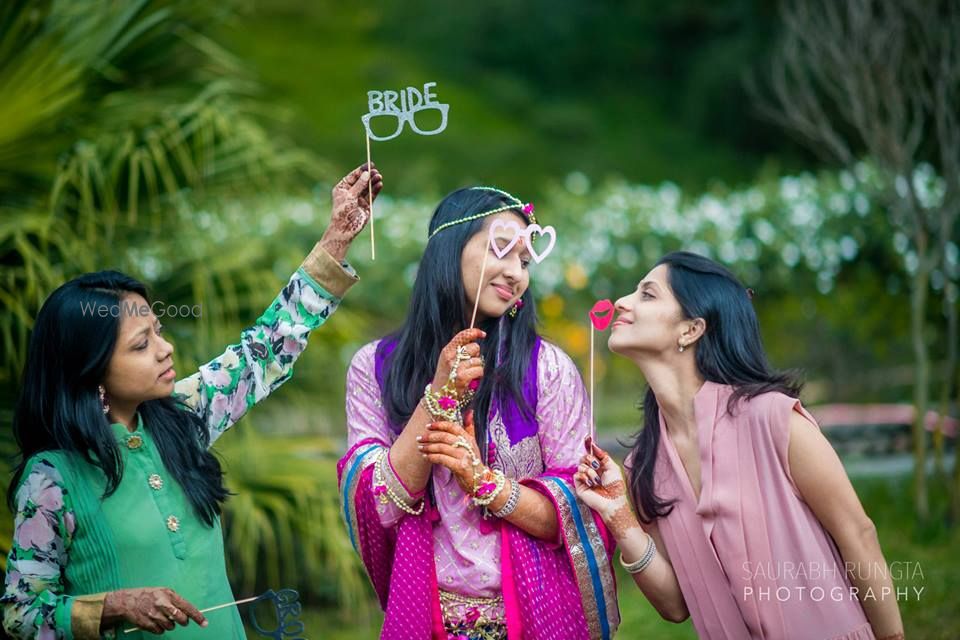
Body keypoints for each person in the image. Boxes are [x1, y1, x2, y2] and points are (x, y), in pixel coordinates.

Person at [2, 164, 382, 639]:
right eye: (141, 345)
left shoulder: (184, 415)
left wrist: (337, 238)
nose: (165, 349)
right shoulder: (51, 480)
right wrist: (113, 607)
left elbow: (262, 349)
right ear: (91, 370)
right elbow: (21, 615)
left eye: (158, 332)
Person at [575, 251, 905, 640]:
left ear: (691, 329)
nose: (620, 303)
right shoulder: (643, 465)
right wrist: (619, 516)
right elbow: (675, 605)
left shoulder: (775, 419)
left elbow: (858, 534)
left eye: (647, 294)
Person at [338, 187, 619, 640]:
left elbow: (577, 515)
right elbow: (381, 506)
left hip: (532, 615)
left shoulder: (547, 369)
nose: (516, 273)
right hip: (424, 614)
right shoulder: (375, 366)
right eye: (502, 248)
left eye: (526, 261)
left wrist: (483, 481)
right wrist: (440, 395)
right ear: (448, 250)